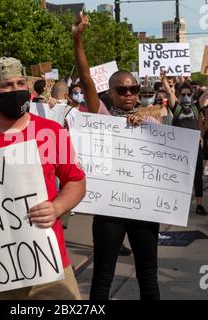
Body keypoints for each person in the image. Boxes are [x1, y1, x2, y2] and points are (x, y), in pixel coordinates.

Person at [0, 56, 86, 300]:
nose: (16, 90)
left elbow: (76, 181)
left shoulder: (51, 132)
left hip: (47, 260)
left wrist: (57, 207)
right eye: (7, 85)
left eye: (21, 83)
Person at [72, 12, 160, 300]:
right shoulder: (102, 116)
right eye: (122, 89)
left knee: (148, 277)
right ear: (110, 91)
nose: (129, 94)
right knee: (102, 279)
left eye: (134, 89)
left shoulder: (152, 121)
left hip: (145, 210)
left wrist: (145, 119)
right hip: (111, 212)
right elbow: (85, 79)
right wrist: (78, 38)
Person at [162, 75, 207, 216]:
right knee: (179, 177)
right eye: (183, 94)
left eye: (188, 94)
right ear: (179, 95)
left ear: (192, 94)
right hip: (180, 148)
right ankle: (176, 204)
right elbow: (169, 93)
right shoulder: (176, 108)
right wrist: (164, 79)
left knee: (197, 176)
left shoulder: (195, 107)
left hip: (195, 148)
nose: (186, 96)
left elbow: (206, 93)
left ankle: (199, 205)